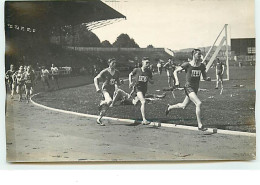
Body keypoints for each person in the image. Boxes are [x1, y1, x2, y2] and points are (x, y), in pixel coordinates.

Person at [165, 49, 211, 131]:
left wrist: (207, 78)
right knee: (199, 103)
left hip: (195, 89)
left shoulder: (202, 66)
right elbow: (175, 71)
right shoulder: (187, 64)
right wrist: (177, 81)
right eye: (198, 54)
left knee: (183, 105)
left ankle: (170, 107)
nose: (200, 56)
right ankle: (200, 125)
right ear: (194, 55)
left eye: (200, 55)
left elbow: (204, 77)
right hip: (188, 87)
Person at [94, 58, 121, 126]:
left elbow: (117, 82)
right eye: (112, 63)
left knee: (106, 107)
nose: (114, 64)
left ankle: (99, 119)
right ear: (109, 64)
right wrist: (97, 87)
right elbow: (96, 78)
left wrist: (120, 83)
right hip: (105, 90)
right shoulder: (105, 71)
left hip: (112, 91)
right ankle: (102, 102)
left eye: (115, 63)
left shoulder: (117, 72)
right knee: (109, 101)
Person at [129, 57, 154, 125]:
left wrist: (148, 79)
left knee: (136, 103)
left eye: (149, 63)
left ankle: (129, 100)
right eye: (146, 63)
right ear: (142, 63)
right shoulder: (137, 70)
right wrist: (130, 82)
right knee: (143, 101)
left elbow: (152, 82)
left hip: (144, 89)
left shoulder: (149, 71)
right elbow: (130, 74)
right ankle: (144, 120)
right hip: (138, 88)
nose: (148, 64)